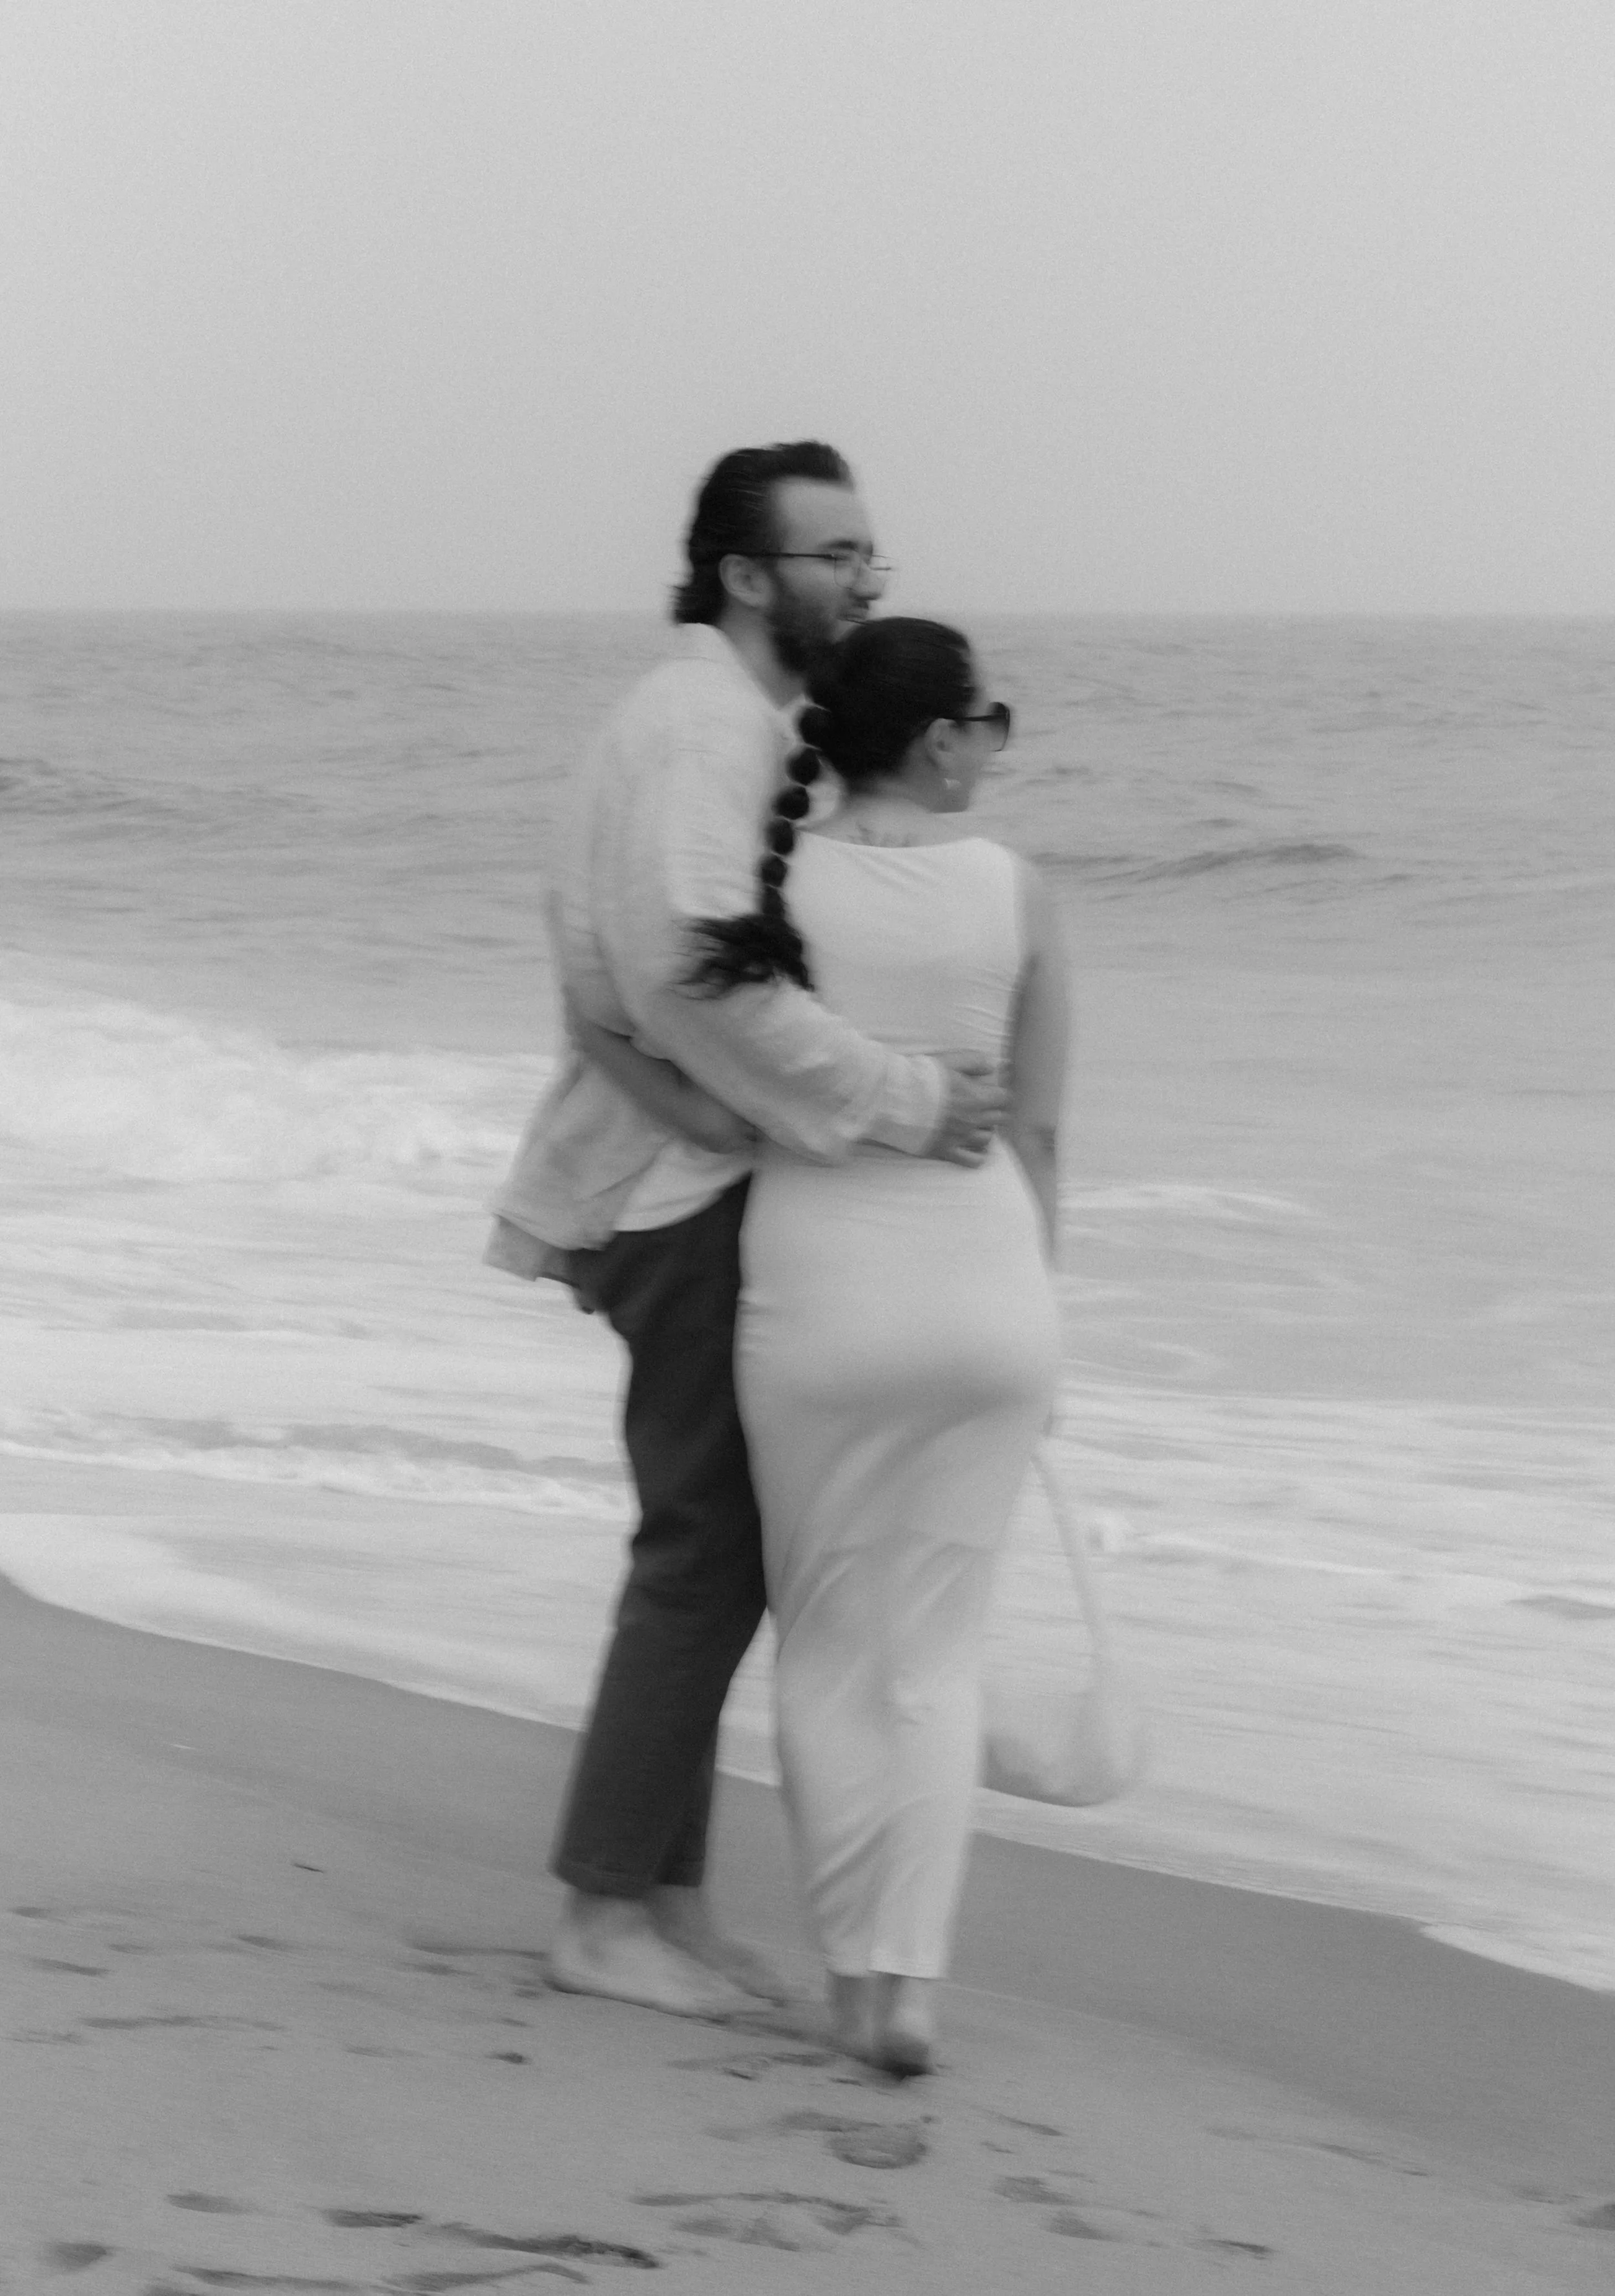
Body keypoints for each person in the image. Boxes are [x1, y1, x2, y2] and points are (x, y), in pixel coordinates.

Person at [485, 445, 1008, 2019]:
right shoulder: (701, 728)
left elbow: (634, 979)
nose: (863, 580)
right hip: (675, 1193)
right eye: (833, 553)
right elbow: (689, 978)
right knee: (703, 1554)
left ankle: (663, 1894)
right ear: (742, 573)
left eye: (870, 557)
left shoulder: (721, 721)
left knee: (719, 1557)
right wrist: (904, 1099)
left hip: (687, 1170)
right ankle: (598, 1911)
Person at [572, 617, 1068, 2074]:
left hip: (819, 1298)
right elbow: (1034, 1128)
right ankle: (905, 1988)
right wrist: (1044, 1322)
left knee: (830, 1647)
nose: (995, 741)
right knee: (937, 1654)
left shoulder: (774, 885)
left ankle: (846, 1975)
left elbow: (679, 1025)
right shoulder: (1019, 887)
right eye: (990, 717)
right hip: (985, 1292)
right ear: (937, 740)